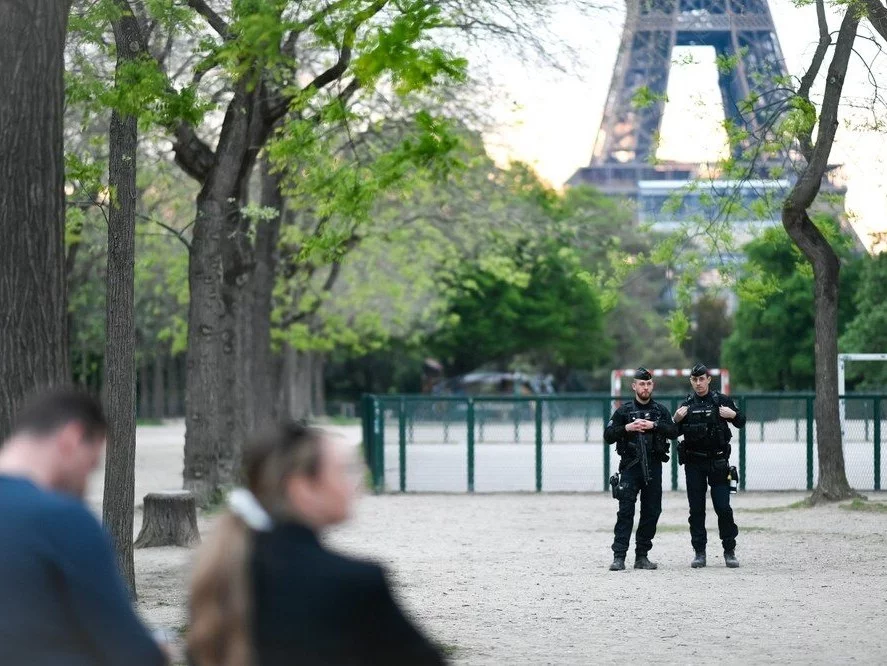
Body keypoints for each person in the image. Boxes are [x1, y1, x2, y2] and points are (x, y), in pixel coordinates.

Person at [188, 421, 446, 666]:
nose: (359, 479)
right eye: (346, 469)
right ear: (303, 488)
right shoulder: (355, 583)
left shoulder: (222, 569)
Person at [0, 387, 167, 666]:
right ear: (72, 437)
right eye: (91, 464)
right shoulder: (61, 519)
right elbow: (134, 652)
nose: (86, 482)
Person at [603, 367, 678, 571]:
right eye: (641, 384)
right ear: (634, 386)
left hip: (653, 467)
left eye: (648, 384)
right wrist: (627, 428)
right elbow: (608, 435)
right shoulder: (624, 411)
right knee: (626, 511)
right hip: (630, 468)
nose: (645, 387)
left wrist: (654, 426)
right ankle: (619, 556)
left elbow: (673, 431)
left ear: (652, 385)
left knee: (652, 511)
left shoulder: (660, 411)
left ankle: (642, 556)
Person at [674, 363, 746, 568]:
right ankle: (699, 552)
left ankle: (729, 550)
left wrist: (732, 415)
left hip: (718, 462)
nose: (698, 383)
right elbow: (672, 432)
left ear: (708, 379)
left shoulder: (720, 400)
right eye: (695, 380)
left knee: (723, 508)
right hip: (694, 463)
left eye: (701, 379)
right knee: (696, 510)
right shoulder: (686, 405)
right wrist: (676, 419)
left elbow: (741, 420)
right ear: (691, 381)